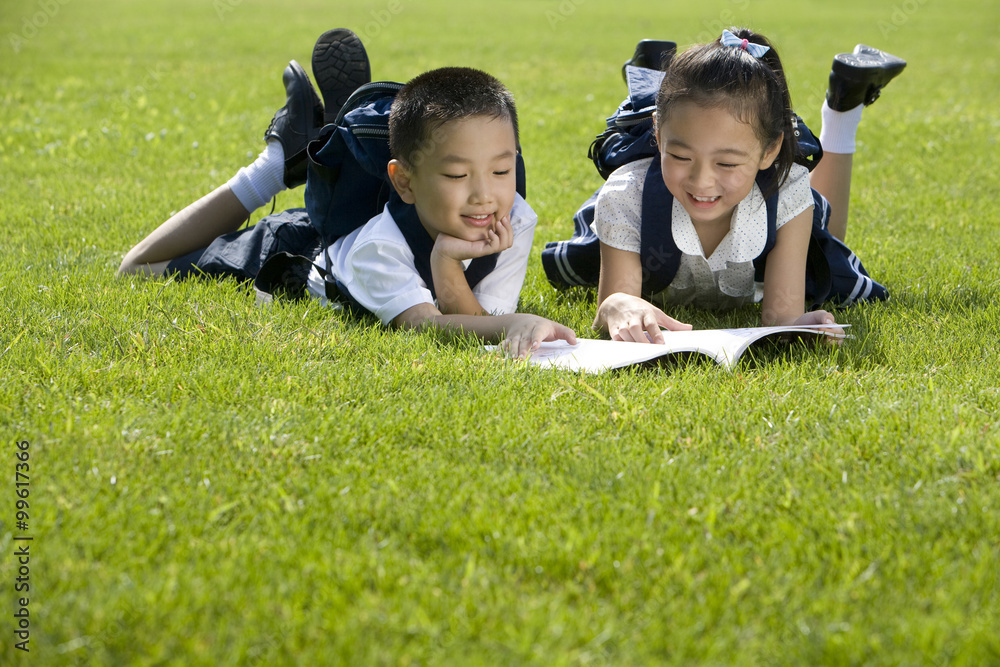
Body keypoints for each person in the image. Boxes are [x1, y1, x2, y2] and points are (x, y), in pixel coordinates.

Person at [118, 29, 576, 358]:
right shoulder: (377, 247)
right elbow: (427, 327)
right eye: (458, 176)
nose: (485, 196)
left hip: (386, 213)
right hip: (301, 247)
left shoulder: (514, 215)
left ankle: (335, 137)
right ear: (405, 182)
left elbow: (477, 318)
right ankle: (280, 165)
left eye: (501, 169)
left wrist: (450, 266)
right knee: (138, 269)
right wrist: (450, 267)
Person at [591, 28, 904, 344]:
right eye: (680, 156)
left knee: (823, 242)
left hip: (769, 192)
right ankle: (646, 81)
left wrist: (801, 326)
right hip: (653, 193)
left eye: (726, 163)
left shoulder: (785, 192)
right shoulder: (626, 195)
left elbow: (781, 319)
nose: (702, 180)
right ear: (658, 138)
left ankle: (843, 107)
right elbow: (613, 305)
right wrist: (618, 305)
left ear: (769, 152)